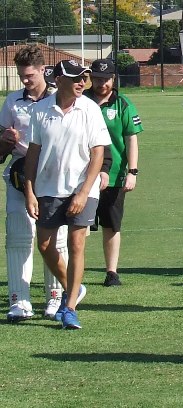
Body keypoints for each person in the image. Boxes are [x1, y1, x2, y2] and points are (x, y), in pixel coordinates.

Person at [24, 60, 111, 329]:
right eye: (75, 78)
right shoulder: (40, 110)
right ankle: (72, 287)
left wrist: (84, 192)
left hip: (82, 188)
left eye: (83, 78)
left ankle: (70, 306)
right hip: (48, 188)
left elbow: (98, 153)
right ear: (58, 79)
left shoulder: (90, 109)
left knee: (76, 245)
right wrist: (29, 190)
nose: (82, 83)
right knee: (45, 246)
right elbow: (33, 153)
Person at [0, 45, 69, 322]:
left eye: (30, 75)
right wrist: (4, 141)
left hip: (55, 177)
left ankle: (55, 298)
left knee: (56, 238)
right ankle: (19, 301)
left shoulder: (59, 98)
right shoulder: (12, 101)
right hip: (19, 176)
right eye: (22, 76)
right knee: (18, 236)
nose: (25, 80)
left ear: (43, 70)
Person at [84, 58, 143, 287]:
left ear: (113, 79)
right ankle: (76, 269)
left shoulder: (123, 104)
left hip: (116, 174)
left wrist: (133, 171)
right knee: (82, 225)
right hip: (83, 175)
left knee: (111, 224)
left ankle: (111, 272)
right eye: (97, 79)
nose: (101, 84)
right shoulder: (81, 101)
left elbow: (131, 138)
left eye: (106, 79)